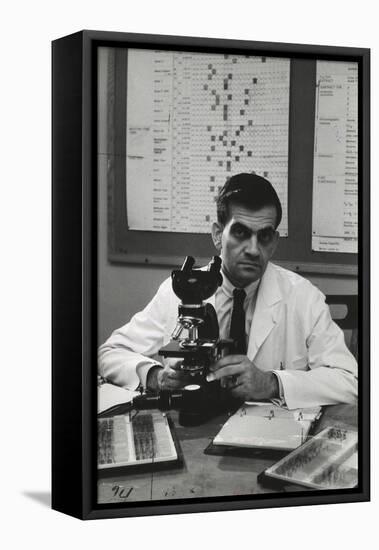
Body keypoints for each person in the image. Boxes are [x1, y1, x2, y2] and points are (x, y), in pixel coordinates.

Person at [98, 173, 357, 409]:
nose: (254, 249)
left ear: (275, 242)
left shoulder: (303, 298)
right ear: (217, 235)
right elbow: (109, 353)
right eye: (241, 233)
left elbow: (350, 381)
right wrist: (155, 377)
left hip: (269, 438)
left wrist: (272, 383)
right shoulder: (182, 291)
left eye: (264, 236)